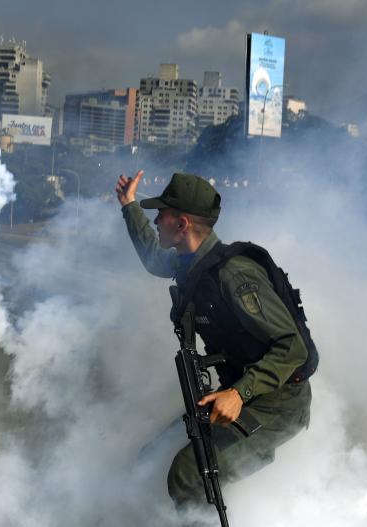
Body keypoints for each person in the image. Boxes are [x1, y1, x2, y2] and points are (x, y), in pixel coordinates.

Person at [115, 170, 315, 514]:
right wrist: (129, 206)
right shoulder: (193, 265)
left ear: (182, 225)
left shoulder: (233, 275)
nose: (156, 219)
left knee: (189, 474)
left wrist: (240, 393)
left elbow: (291, 347)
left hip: (276, 405)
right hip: (234, 394)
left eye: (161, 214)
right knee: (151, 460)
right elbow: (152, 259)